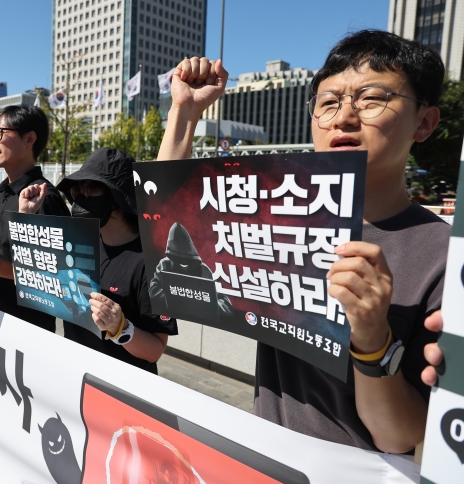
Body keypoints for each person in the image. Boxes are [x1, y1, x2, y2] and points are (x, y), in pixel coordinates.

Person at [157, 30, 449, 454]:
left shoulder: (443, 257)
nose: (344, 117)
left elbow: (400, 436)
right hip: (264, 464)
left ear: (424, 122)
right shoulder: (275, 215)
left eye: (371, 98)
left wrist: (373, 341)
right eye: (329, 103)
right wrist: (183, 111)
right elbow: (167, 224)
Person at [20, 148, 178, 373]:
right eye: (76, 190)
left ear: (118, 195)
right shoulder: (75, 245)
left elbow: (155, 350)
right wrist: (25, 218)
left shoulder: (151, 261)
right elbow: (29, 281)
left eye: (91, 188)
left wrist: (120, 327)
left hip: (121, 390)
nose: (80, 196)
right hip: (76, 377)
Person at [0, 106, 70, 332]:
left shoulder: (43, 198)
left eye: (0, 133)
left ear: (29, 138)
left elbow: (58, 279)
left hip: (24, 332)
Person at [148, 221, 234, 317]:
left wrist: (202, 303)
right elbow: (153, 290)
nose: (183, 262)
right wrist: (177, 299)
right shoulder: (165, 265)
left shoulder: (204, 270)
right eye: (178, 258)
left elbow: (226, 305)